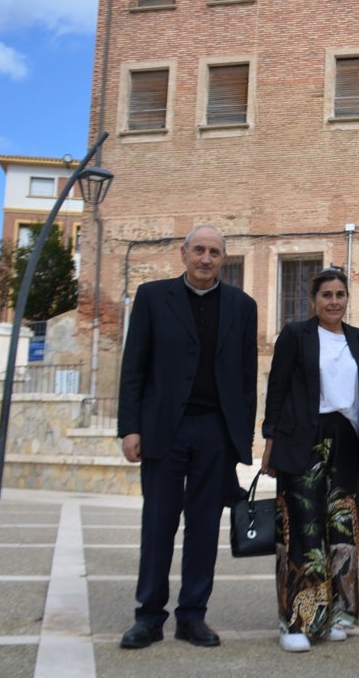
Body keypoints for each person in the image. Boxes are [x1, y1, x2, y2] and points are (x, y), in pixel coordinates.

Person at [117, 225, 257, 649]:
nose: (206, 258)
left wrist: (240, 439)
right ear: (183, 254)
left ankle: (192, 616)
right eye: (199, 250)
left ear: (223, 259)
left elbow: (246, 379)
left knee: (202, 527)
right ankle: (149, 616)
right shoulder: (152, 297)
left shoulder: (242, 306)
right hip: (164, 429)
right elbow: (133, 368)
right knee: (158, 524)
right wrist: (130, 427)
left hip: (214, 431)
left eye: (215, 252)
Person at [261, 267, 359, 653]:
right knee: (302, 530)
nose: (334, 301)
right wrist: (269, 442)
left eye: (340, 295)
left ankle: (330, 615)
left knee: (341, 528)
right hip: (302, 441)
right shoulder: (296, 335)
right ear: (313, 300)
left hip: (346, 441)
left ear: (348, 299)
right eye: (326, 295)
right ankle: (295, 621)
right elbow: (276, 390)